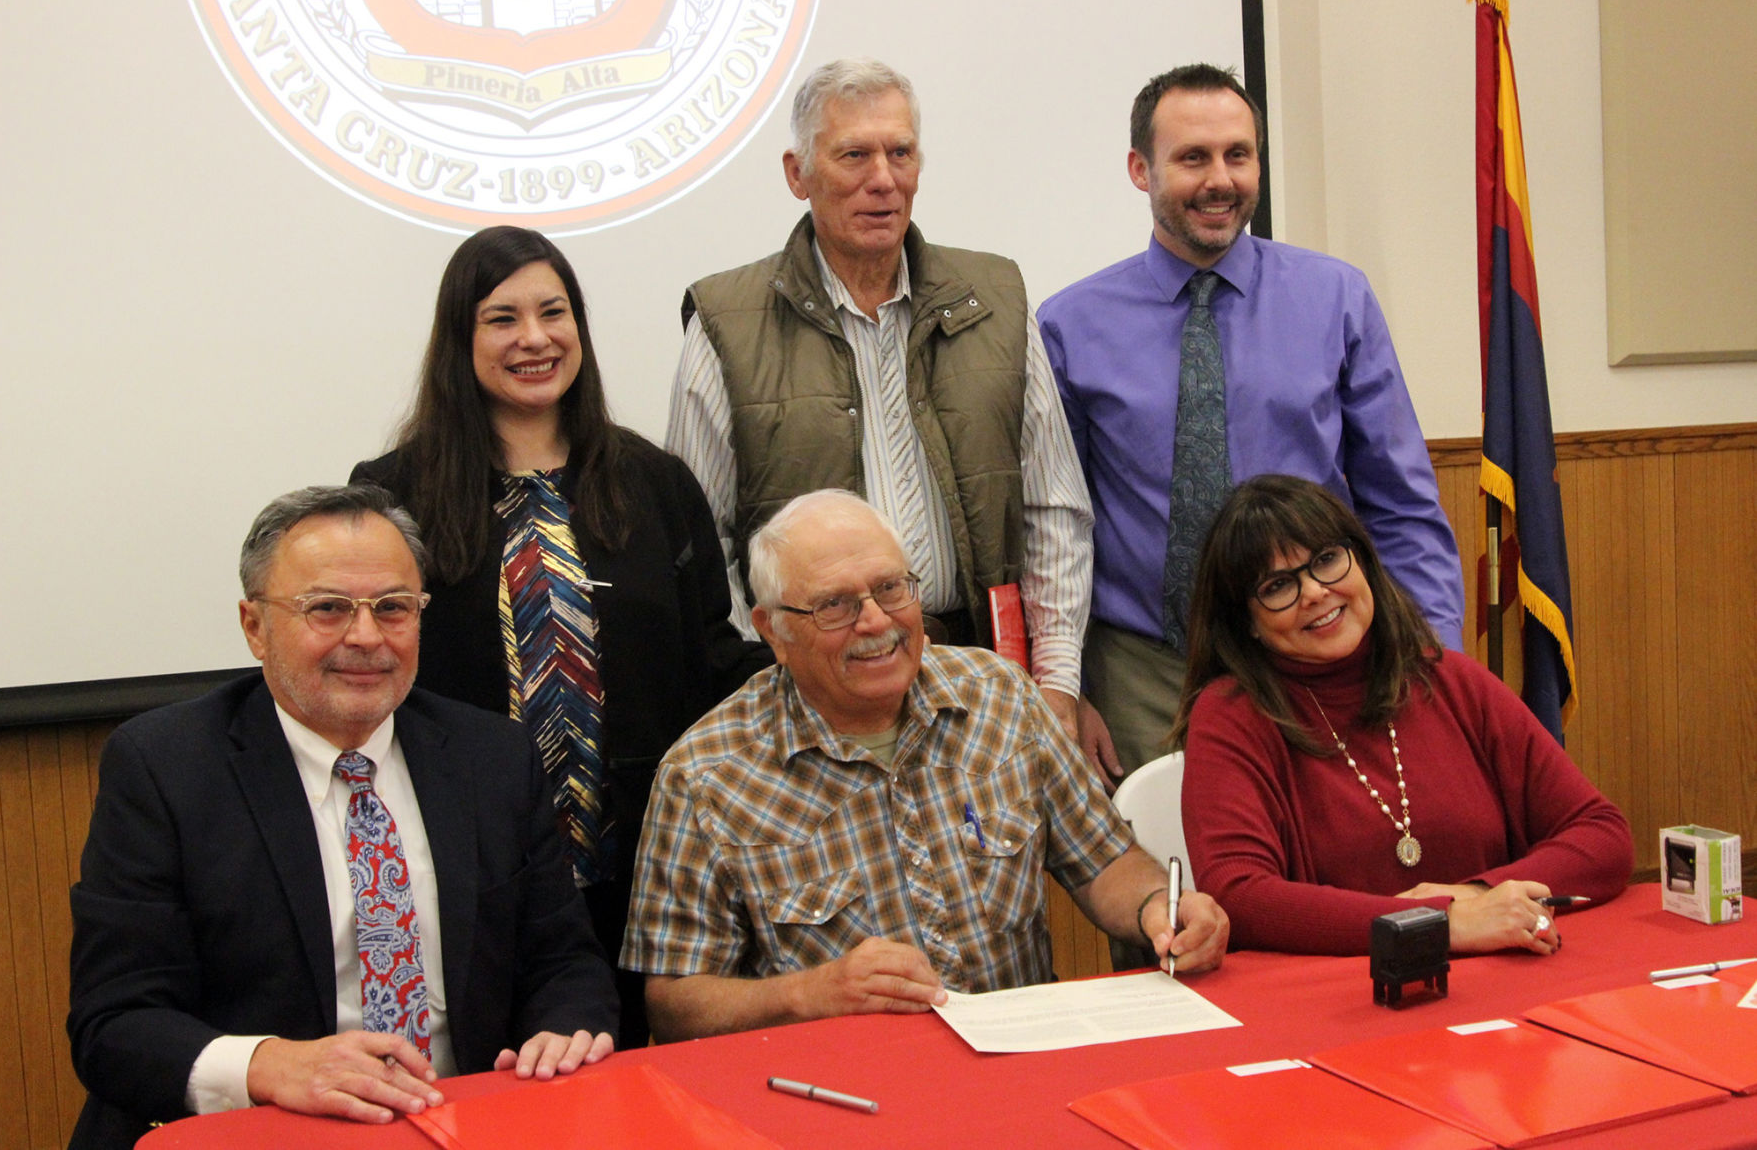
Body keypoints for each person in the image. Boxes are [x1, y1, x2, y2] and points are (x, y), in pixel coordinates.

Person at [66, 485, 618, 1149]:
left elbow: (564, 959)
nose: (365, 636)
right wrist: (270, 1065)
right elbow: (115, 1021)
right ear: (254, 626)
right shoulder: (165, 767)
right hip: (260, 1131)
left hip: (460, 1121)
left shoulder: (490, 757)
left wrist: (561, 1031)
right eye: (327, 608)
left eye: (392, 608)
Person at [352, 226, 769, 1047]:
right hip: (472, 859)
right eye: (502, 318)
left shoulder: (654, 481)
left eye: (554, 311)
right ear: (459, 339)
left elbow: (710, 662)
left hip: (649, 861)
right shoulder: (393, 493)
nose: (535, 338)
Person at [622, 490, 1227, 1042]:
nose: (877, 622)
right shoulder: (705, 776)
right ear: (773, 631)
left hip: (1024, 1064)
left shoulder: (999, 696)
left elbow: (1105, 862)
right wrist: (808, 994)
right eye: (835, 605)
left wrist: (1160, 909)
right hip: (840, 1092)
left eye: (891, 588)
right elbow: (675, 1006)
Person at [665, 58, 1116, 780]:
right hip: (809, 696)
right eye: (853, 155)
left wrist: (1057, 683)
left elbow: (1052, 509)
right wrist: (764, 682)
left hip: (979, 683)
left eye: (899, 152)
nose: (883, 177)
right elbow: (694, 543)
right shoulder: (727, 321)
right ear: (797, 172)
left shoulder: (994, 299)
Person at [1040, 63, 1465, 780]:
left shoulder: (1335, 299)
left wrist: (1432, 660)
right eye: (1192, 158)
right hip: (1142, 675)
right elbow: (1053, 531)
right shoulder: (1068, 325)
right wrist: (1067, 688)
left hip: (1316, 653)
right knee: (1170, 886)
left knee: (1318, 883)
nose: (1220, 179)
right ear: (1140, 169)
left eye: (1238, 154)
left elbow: (1400, 502)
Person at [1172, 475, 1632, 956]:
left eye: (1327, 560)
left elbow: (1603, 835)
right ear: (1247, 622)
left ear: (1363, 561)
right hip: (1340, 1002)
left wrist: (1475, 896)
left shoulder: (1452, 681)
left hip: (1499, 977)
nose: (1313, 592)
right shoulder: (1230, 715)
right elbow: (1240, 897)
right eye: (1278, 586)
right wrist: (1437, 923)